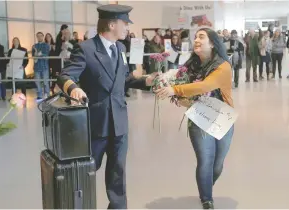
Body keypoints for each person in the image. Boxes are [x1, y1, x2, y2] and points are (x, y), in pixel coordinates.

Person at [57, 4, 157, 209]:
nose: (127, 28)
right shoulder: (86, 48)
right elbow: (64, 75)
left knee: (118, 173)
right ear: (112, 24)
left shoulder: (120, 48)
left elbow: (123, 80)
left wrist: (146, 81)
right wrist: (74, 88)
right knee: (87, 172)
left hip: (119, 122)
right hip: (96, 123)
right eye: (125, 24)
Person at [155, 28, 234, 209]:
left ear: (213, 43)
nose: (196, 40)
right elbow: (181, 85)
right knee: (205, 160)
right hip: (199, 116)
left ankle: (206, 185)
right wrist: (175, 93)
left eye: (201, 37)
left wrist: (175, 90)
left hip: (223, 117)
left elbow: (206, 85)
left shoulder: (222, 66)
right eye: (195, 37)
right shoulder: (189, 65)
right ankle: (207, 199)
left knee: (218, 163)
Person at [32, 32, 50, 100]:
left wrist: (39, 54)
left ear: (43, 36)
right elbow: (33, 56)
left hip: (44, 66)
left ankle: (47, 94)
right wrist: (38, 55)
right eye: (38, 36)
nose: (39, 37)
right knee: (37, 82)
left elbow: (46, 55)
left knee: (45, 82)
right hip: (36, 67)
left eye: (40, 36)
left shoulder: (46, 45)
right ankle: (39, 95)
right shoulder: (34, 46)